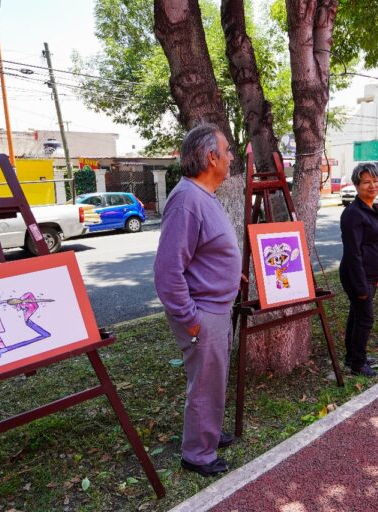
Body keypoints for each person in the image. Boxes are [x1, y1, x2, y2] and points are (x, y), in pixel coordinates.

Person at [153, 123, 241, 477]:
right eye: (227, 150)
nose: (231, 156)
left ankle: (208, 434)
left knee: (214, 379)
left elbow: (208, 251)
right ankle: (198, 454)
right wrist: (190, 318)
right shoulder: (187, 199)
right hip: (203, 313)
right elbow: (167, 271)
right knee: (204, 383)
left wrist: (233, 273)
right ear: (211, 157)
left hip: (217, 307)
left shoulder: (205, 195)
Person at [339, 163, 378, 377]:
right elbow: (354, 254)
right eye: (367, 182)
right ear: (357, 185)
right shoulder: (353, 214)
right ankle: (358, 364)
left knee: (357, 315)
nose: (373, 185)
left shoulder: (372, 208)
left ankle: (352, 357)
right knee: (365, 318)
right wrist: (361, 286)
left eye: (375, 181)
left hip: (369, 275)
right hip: (357, 275)